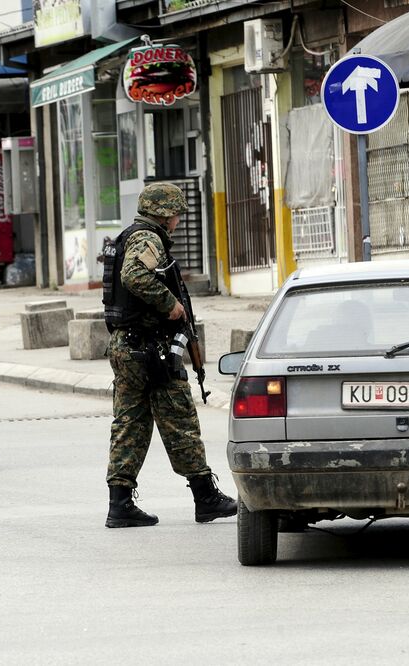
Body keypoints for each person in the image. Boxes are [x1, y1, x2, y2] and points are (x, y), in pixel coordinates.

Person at [101, 182, 238, 527]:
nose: (178, 219)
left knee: (129, 424)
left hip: (128, 346)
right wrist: (171, 305)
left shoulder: (131, 236)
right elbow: (134, 276)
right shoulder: (148, 239)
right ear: (163, 213)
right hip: (151, 349)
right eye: (176, 213)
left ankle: (119, 503)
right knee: (180, 420)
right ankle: (205, 496)